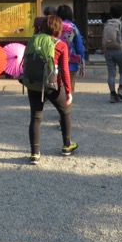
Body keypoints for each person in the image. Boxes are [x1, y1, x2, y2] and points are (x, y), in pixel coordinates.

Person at [26, 14, 78, 165]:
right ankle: (67, 146)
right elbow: (65, 70)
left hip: (33, 83)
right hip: (51, 85)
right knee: (65, 111)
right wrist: (68, 91)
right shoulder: (60, 45)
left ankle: (35, 154)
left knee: (36, 117)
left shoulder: (33, 40)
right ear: (59, 29)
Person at [102, 3, 122, 103]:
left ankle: (112, 95)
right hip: (120, 50)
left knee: (111, 73)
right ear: (121, 14)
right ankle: (121, 89)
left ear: (111, 14)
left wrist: (104, 50)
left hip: (109, 51)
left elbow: (104, 38)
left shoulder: (107, 24)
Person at [56, 4, 86, 92]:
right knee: (69, 88)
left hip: (56, 61)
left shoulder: (55, 26)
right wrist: (82, 62)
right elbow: (79, 47)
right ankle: (67, 103)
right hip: (71, 62)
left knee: (58, 87)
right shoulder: (73, 28)